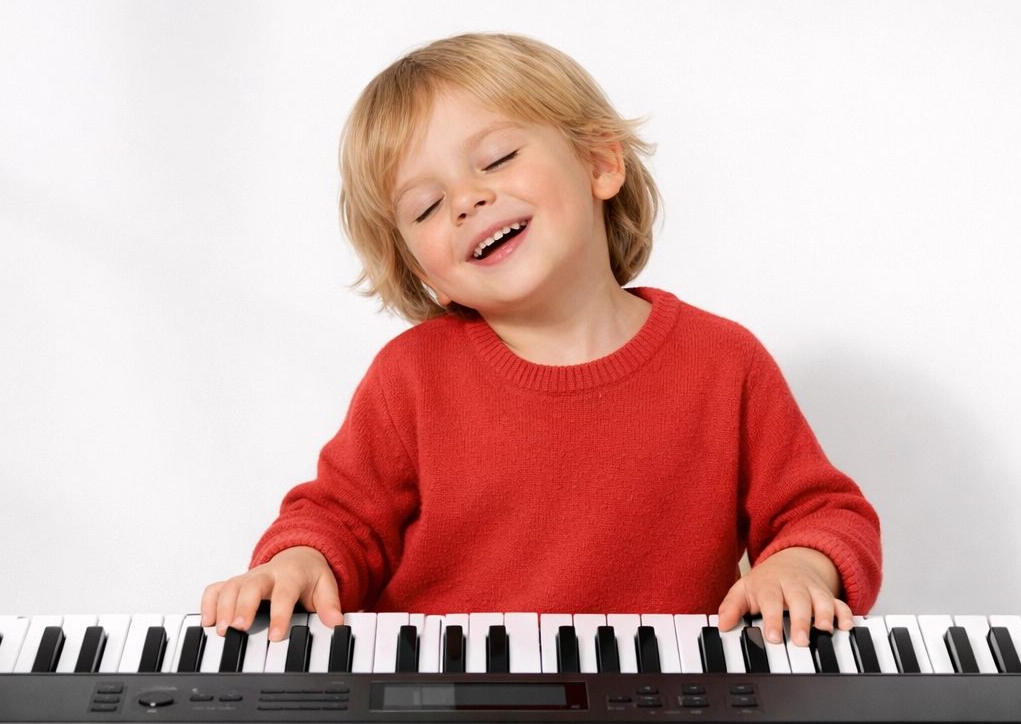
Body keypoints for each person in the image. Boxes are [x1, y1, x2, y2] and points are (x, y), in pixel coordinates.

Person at [200, 33, 881, 654]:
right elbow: (341, 519)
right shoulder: (411, 376)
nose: (467, 201)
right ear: (425, 274)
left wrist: (798, 564)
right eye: (427, 207)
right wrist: (298, 562)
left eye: (496, 158)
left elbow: (822, 512)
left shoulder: (724, 362)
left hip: (661, 720)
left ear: (600, 163)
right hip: (443, 719)